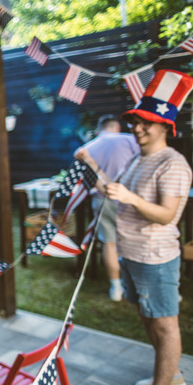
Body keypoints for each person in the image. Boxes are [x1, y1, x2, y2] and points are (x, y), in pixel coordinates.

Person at [77, 70, 192, 385]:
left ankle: (163, 383)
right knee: (148, 320)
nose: (137, 128)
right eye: (135, 122)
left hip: (155, 258)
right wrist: (90, 164)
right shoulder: (137, 160)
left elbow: (168, 215)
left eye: (146, 123)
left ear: (165, 125)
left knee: (165, 326)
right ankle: (173, 378)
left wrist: (132, 198)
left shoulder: (173, 164)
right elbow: (113, 190)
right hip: (132, 254)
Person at [74, 114, 139, 301]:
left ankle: (116, 287)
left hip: (103, 199)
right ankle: (133, 284)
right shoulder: (131, 139)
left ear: (98, 129)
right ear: (117, 127)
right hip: (131, 198)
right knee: (134, 242)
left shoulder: (87, 148)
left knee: (109, 243)